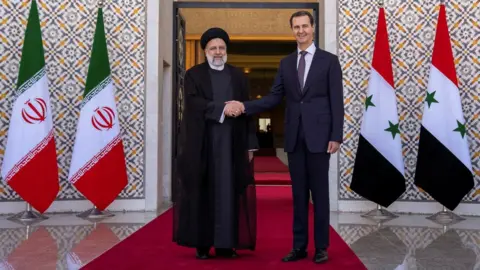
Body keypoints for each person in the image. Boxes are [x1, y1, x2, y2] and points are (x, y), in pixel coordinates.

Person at [226, 11, 344, 264]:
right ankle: (299, 247)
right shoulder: (286, 63)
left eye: (304, 26)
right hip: (294, 139)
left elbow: (337, 100)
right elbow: (273, 97)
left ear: (313, 28)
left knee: (320, 194)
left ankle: (321, 247)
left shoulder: (329, 61)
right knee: (298, 195)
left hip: (320, 137)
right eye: (296, 27)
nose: (300, 31)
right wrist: (244, 106)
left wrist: (336, 135)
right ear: (291, 30)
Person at [172, 27, 259, 260]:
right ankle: (203, 243)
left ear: (226, 50)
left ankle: (226, 244)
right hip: (204, 146)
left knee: (230, 192)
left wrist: (250, 145)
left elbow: (248, 109)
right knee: (203, 192)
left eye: (221, 48)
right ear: (205, 51)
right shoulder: (193, 75)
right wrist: (223, 108)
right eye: (213, 48)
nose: (218, 52)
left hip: (233, 145)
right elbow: (193, 104)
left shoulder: (238, 75)